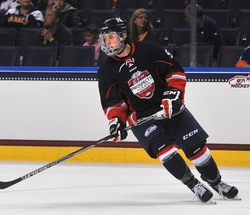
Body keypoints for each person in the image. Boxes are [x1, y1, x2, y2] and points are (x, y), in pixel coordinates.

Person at [97, 17, 239, 203]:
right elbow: (113, 103)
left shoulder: (149, 50)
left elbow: (175, 71)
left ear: (123, 35)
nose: (108, 43)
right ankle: (194, 185)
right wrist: (116, 121)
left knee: (199, 151)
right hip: (142, 118)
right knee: (166, 152)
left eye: (112, 37)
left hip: (170, 108)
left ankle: (217, 182)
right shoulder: (106, 71)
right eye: (105, 39)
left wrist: (173, 93)